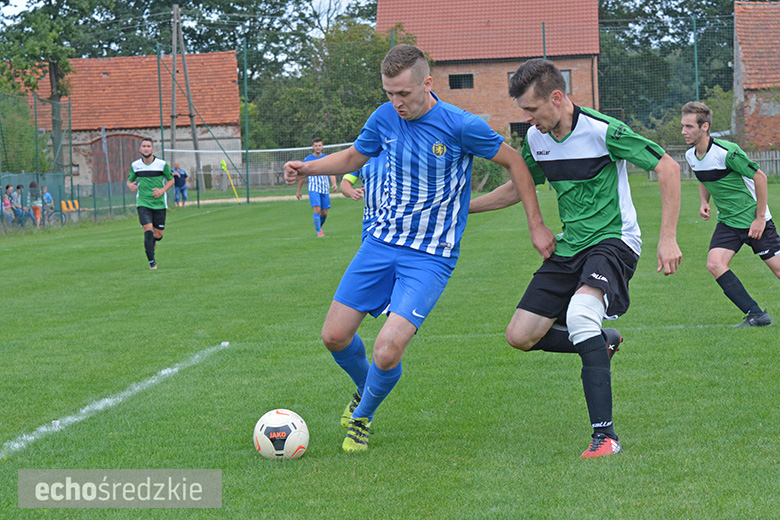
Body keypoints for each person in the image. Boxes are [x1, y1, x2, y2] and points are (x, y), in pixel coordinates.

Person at [283, 44, 555, 453]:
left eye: (404, 94)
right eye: (389, 93)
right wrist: (308, 167)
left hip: (430, 256)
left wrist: (536, 226)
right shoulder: (384, 117)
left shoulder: (461, 125)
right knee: (334, 337)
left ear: (427, 83)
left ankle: (363, 417)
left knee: (387, 348)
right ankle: (368, 388)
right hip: (380, 244)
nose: (396, 103)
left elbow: (516, 164)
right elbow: (357, 156)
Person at [469, 58, 682, 458]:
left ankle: (606, 437)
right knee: (521, 335)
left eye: (532, 110)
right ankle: (603, 343)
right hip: (569, 247)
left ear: (557, 96)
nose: (528, 120)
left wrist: (667, 238)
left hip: (614, 242)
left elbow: (668, 167)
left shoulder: (604, 131)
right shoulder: (537, 140)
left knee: (581, 314)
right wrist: (465, 208)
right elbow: (518, 189)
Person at [682, 101, 779, 327]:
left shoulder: (727, 152)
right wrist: (704, 201)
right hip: (728, 222)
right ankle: (756, 314)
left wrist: (759, 218)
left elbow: (760, 177)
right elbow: (703, 177)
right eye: (683, 126)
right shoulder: (690, 156)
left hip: (754, 221)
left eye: (689, 126)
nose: (683, 131)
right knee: (715, 263)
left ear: (704, 126)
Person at [126, 138, 175, 270]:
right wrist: (130, 185)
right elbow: (129, 181)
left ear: (152, 149)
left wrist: (162, 191)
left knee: (157, 235)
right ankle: (152, 263)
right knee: (148, 229)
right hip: (143, 202)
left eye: (149, 146)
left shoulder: (162, 164)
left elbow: (171, 180)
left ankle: (152, 243)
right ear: (140, 149)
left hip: (159, 204)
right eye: (144, 146)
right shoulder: (135, 165)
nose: (146, 148)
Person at [339, 150, 387, 241]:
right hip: (371, 220)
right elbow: (344, 184)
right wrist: (351, 192)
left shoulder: (397, 153)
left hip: (395, 220)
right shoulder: (363, 157)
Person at [296, 138, 338, 237]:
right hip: (313, 188)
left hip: (324, 188)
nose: (318, 147)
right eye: (316, 146)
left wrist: (334, 183)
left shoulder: (326, 158)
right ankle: (319, 232)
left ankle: (319, 227)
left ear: (322, 146)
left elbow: (332, 172)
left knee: (324, 213)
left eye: (319, 145)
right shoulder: (307, 160)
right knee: (317, 209)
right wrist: (299, 191)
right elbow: (302, 176)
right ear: (313, 147)